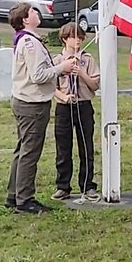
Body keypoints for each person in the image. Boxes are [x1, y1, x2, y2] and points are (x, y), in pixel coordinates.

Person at [4, 3, 76, 214]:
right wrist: (61, 68)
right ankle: (25, 200)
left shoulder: (28, 40)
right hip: (32, 104)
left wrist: (58, 69)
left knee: (22, 149)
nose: (37, 13)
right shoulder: (30, 43)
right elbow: (38, 76)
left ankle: (13, 195)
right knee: (30, 152)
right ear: (25, 19)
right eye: (33, 11)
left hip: (24, 101)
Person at [50, 23, 101, 202]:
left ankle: (87, 186)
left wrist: (82, 74)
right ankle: (63, 186)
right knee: (63, 148)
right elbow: (50, 87)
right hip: (64, 108)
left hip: (84, 105)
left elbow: (95, 84)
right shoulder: (57, 61)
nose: (78, 40)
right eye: (74, 37)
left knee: (86, 146)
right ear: (65, 39)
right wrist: (63, 97)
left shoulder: (88, 60)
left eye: (80, 37)